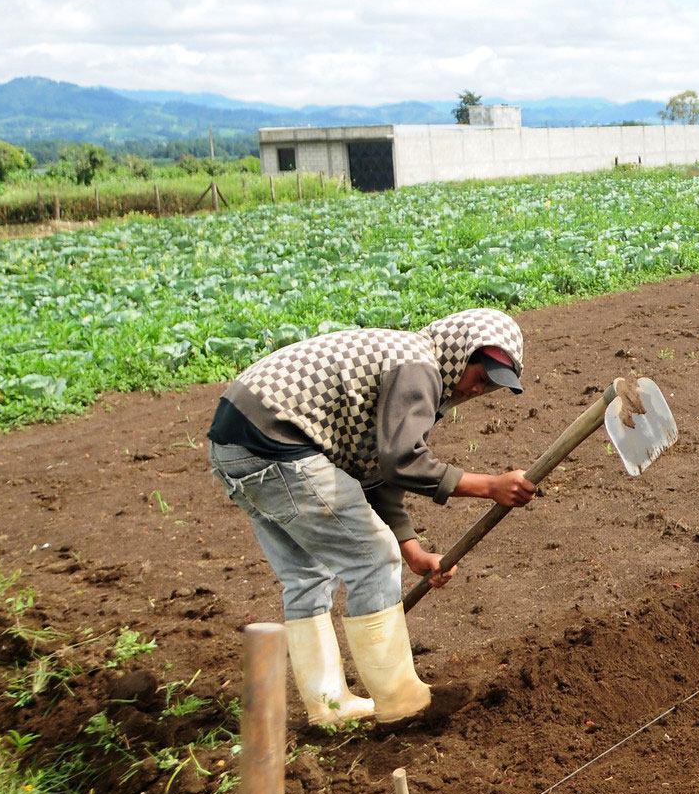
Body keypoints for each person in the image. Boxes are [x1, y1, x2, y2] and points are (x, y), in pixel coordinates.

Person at [207, 308, 536, 726]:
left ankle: (329, 708)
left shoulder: (407, 363)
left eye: (491, 385)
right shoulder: (419, 366)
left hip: (239, 443)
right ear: (459, 351)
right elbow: (402, 461)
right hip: (275, 441)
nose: (478, 389)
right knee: (374, 557)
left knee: (307, 575)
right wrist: (490, 485)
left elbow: (374, 471)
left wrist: (412, 551)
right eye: (480, 375)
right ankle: (402, 703)